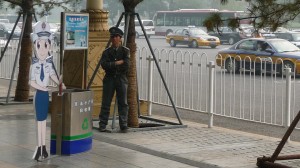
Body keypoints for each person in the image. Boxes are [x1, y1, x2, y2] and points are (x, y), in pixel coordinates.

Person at [30, 21, 65, 161]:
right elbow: (31, 82)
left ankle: (44, 147)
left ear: (49, 45)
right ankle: (39, 148)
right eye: (39, 45)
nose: (42, 49)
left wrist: (61, 82)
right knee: (39, 122)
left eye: (46, 45)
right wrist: (42, 87)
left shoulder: (49, 64)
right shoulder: (34, 65)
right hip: (39, 95)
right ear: (35, 46)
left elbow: (53, 77)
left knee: (44, 122)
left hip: (45, 96)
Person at [98, 27, 130, 133]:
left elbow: (126, 65)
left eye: (117, 37)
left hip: (121, 78)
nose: (115, 39)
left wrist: (112, 65)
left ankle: (123, 124)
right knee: (106, 102)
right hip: (109, 78)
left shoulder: (125, 51)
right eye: (113, 37)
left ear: (120, 38)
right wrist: (116, 63)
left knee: (123, 103)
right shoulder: (106, 52)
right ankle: (102, 124)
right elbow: (104, 65)